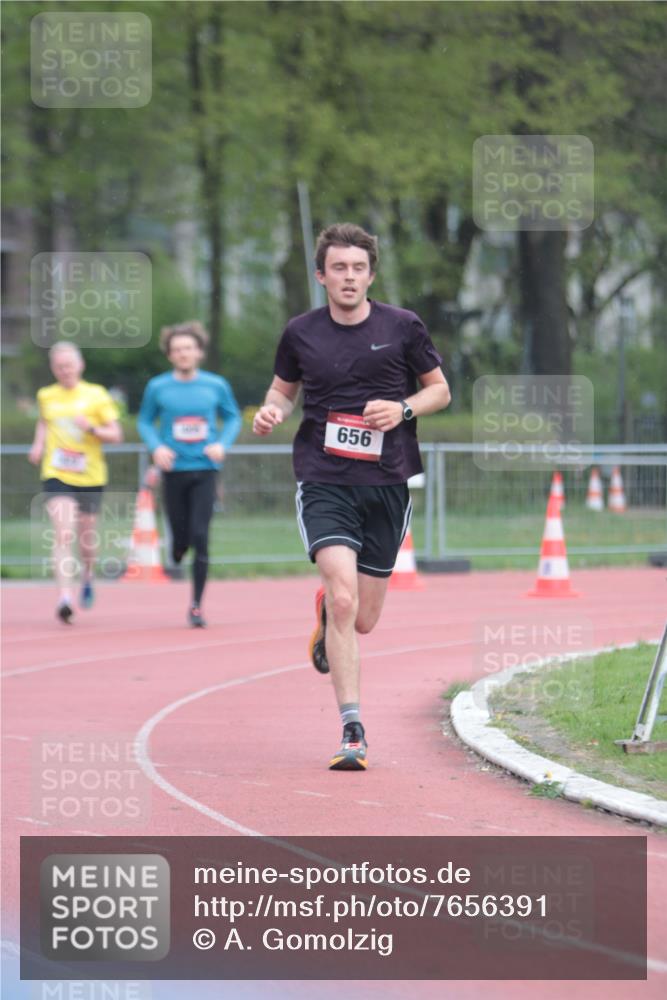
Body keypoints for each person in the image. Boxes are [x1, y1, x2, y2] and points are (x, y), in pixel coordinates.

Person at [253, 222, 451, 770]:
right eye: (338, 267)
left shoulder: (403, 326)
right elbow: (282, 390)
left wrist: (404, 409)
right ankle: (353, 730)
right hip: (324, 478)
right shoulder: (301, 332)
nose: (348, 277)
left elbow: (441, 390)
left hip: (386, 483)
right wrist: (272, 410)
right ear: (321, 275)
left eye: (358, 268)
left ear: (371, 275)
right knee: (344, 599)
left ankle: (328, 614)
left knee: (362, 619)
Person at [137, 321, 242, 627]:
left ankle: (196, 605)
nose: (183, 354)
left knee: (201, 535)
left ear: (199, 352)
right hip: (174, 469)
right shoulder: (158, 387)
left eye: (188, 348)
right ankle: (178, 547)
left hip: (205, 469)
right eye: (177, 349)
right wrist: (156, 447)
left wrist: (222, 444)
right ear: (170, 355)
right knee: (180, 538)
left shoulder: (215, 385)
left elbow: (233, 417)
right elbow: (145, 421)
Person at [28, 341, 123, 623]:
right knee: (63, 533)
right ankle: (64, 598)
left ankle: (88, 574)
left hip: (90, 475)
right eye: (59, 367)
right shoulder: (46, 395)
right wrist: (38, 444)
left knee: (86, 540)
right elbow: (44, 422)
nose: (64, 371)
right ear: (52, 369)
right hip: (57, 473)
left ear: (80, 365)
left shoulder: (96, 395)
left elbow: (115, 434)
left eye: (69, 365)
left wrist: (91, 428)